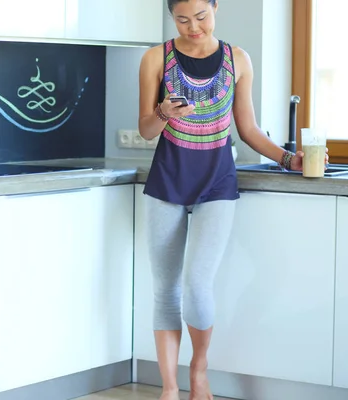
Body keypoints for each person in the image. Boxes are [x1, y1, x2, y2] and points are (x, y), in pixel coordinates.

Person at [137, 1, 328, 399]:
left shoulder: (237, 59)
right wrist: (162, 113)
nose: (193, 27)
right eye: (183, 20)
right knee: (164, 290)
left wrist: (288, 158)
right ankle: (169, 388)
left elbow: (248, 129)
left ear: (215, 8)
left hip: (216, 183)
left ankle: (200, 368)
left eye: (201, 17)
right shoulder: (156, 58)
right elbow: (145, 130)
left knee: (197, 287)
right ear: (172, 17)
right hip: (167, 180)